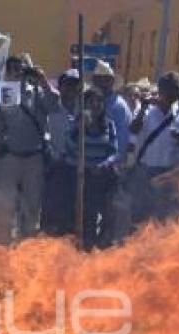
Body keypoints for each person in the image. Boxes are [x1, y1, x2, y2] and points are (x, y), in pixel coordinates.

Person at [0, 59, 60, 243]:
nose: (17, 72)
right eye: (12, 69)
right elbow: (1, 118)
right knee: (5, 206)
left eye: (20, 69)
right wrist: (10, 85)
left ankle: (27, 246)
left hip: (33, 158)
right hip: (10, 156)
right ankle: (3, 247)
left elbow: (55, 105)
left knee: (32, 207)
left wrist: (43, 81)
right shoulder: (4, 90)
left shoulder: (37, 92)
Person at [65, 86, 120, 249]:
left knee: (105, 212)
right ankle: (83, 245)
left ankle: (100, 244)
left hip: (102, 176)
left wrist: (102, 165)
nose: (96, 105)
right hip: (82, 176)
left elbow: (114, 151)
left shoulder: (109, 125)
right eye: (91, 101)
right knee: (84, 213)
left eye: (99, 101)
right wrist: (80, 127)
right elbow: (69, 147)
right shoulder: (76, 124)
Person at [127, 71, 179, 224]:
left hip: (169, 173)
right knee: (140, 216)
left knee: (162, 217)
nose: (170, 93)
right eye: (167, 88)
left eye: (175, 89)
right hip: (145, 170)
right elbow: (133, 129)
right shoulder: (146, 111)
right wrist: (142, 109)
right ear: (160, 90)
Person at [42, 69, 82, 236]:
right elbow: (44, 134)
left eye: (75, 85)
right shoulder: (51, 108)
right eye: (68, 85)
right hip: (56, 165)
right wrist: (53, 155)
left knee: (74, 207)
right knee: (52, 206)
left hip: (77, 166)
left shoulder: (83, 110)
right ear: (61, 87)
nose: (71, 89)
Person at [92, 60, 131, 166]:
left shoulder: (119, 107)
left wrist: (110, 163)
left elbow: (122, 140)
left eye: (105, 79)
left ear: (111, 81)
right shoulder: (94, 103)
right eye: (98, 79)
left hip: (111, 165)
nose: (101, 83)